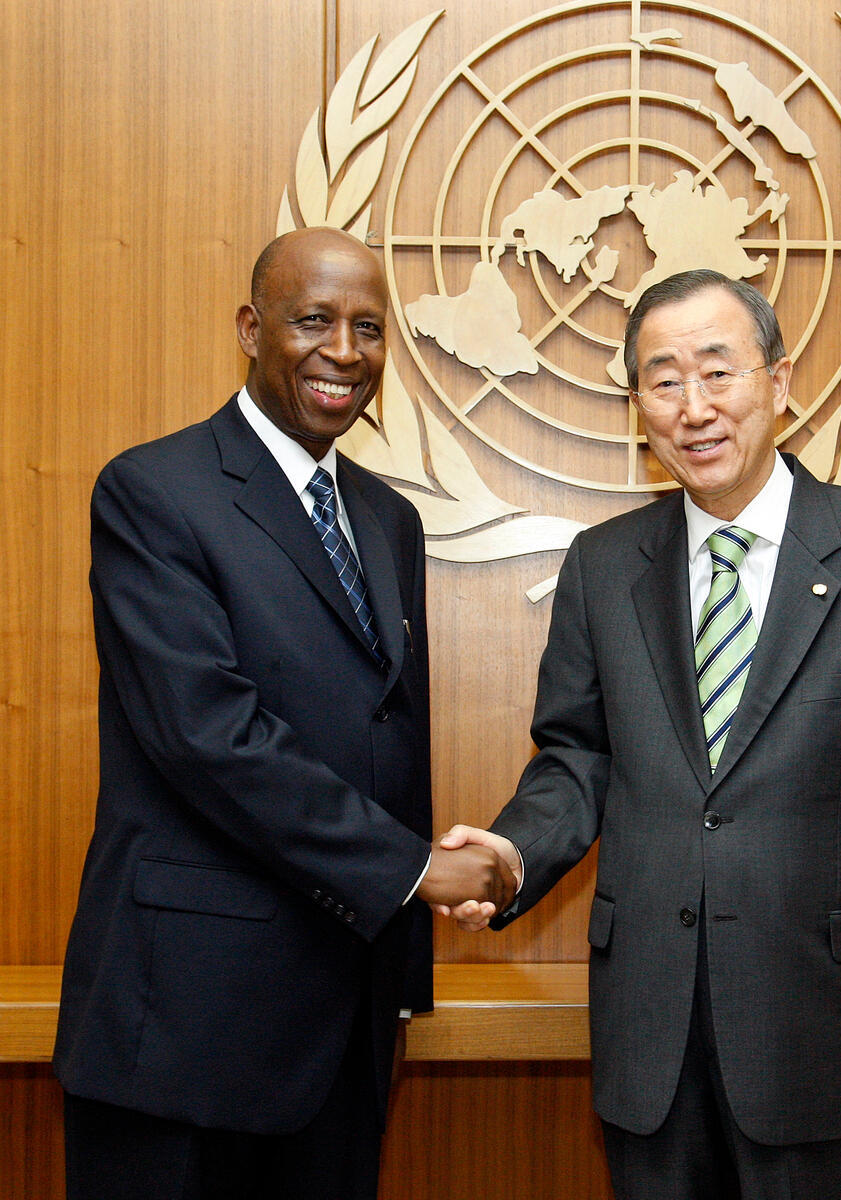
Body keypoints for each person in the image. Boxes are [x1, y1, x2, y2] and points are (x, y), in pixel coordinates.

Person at [438, 269, 841, 1200]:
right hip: (651, 1024)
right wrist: (512, 853)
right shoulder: (604, 565)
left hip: (827, 1023)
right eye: (664, 381)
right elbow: (576, 757)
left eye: (718, 372)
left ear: (779, 381)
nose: (693, 408)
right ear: (638, 407)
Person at [54, 226, 516, 1200]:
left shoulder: (388, 520)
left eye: (368, 328)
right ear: (250, 329)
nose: (343, 352)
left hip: (343, 1033)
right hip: (182, 1030)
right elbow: (207, 736)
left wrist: (403, 983)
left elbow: (392, 742)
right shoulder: (154, 492)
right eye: (313, 321)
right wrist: (417, 870)